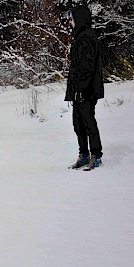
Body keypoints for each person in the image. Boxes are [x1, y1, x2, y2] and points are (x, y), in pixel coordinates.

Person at [65, 5, 104, 170]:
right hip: (79, 90)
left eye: (72, 18)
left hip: (86, 90)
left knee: (88, 122)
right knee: (78, 123)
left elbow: (86, 67)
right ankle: (84, 154)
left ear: (79, 19)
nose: (70, 21)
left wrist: (81, 89)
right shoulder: (80, 36)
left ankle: (96, 155)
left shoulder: (86, 37)